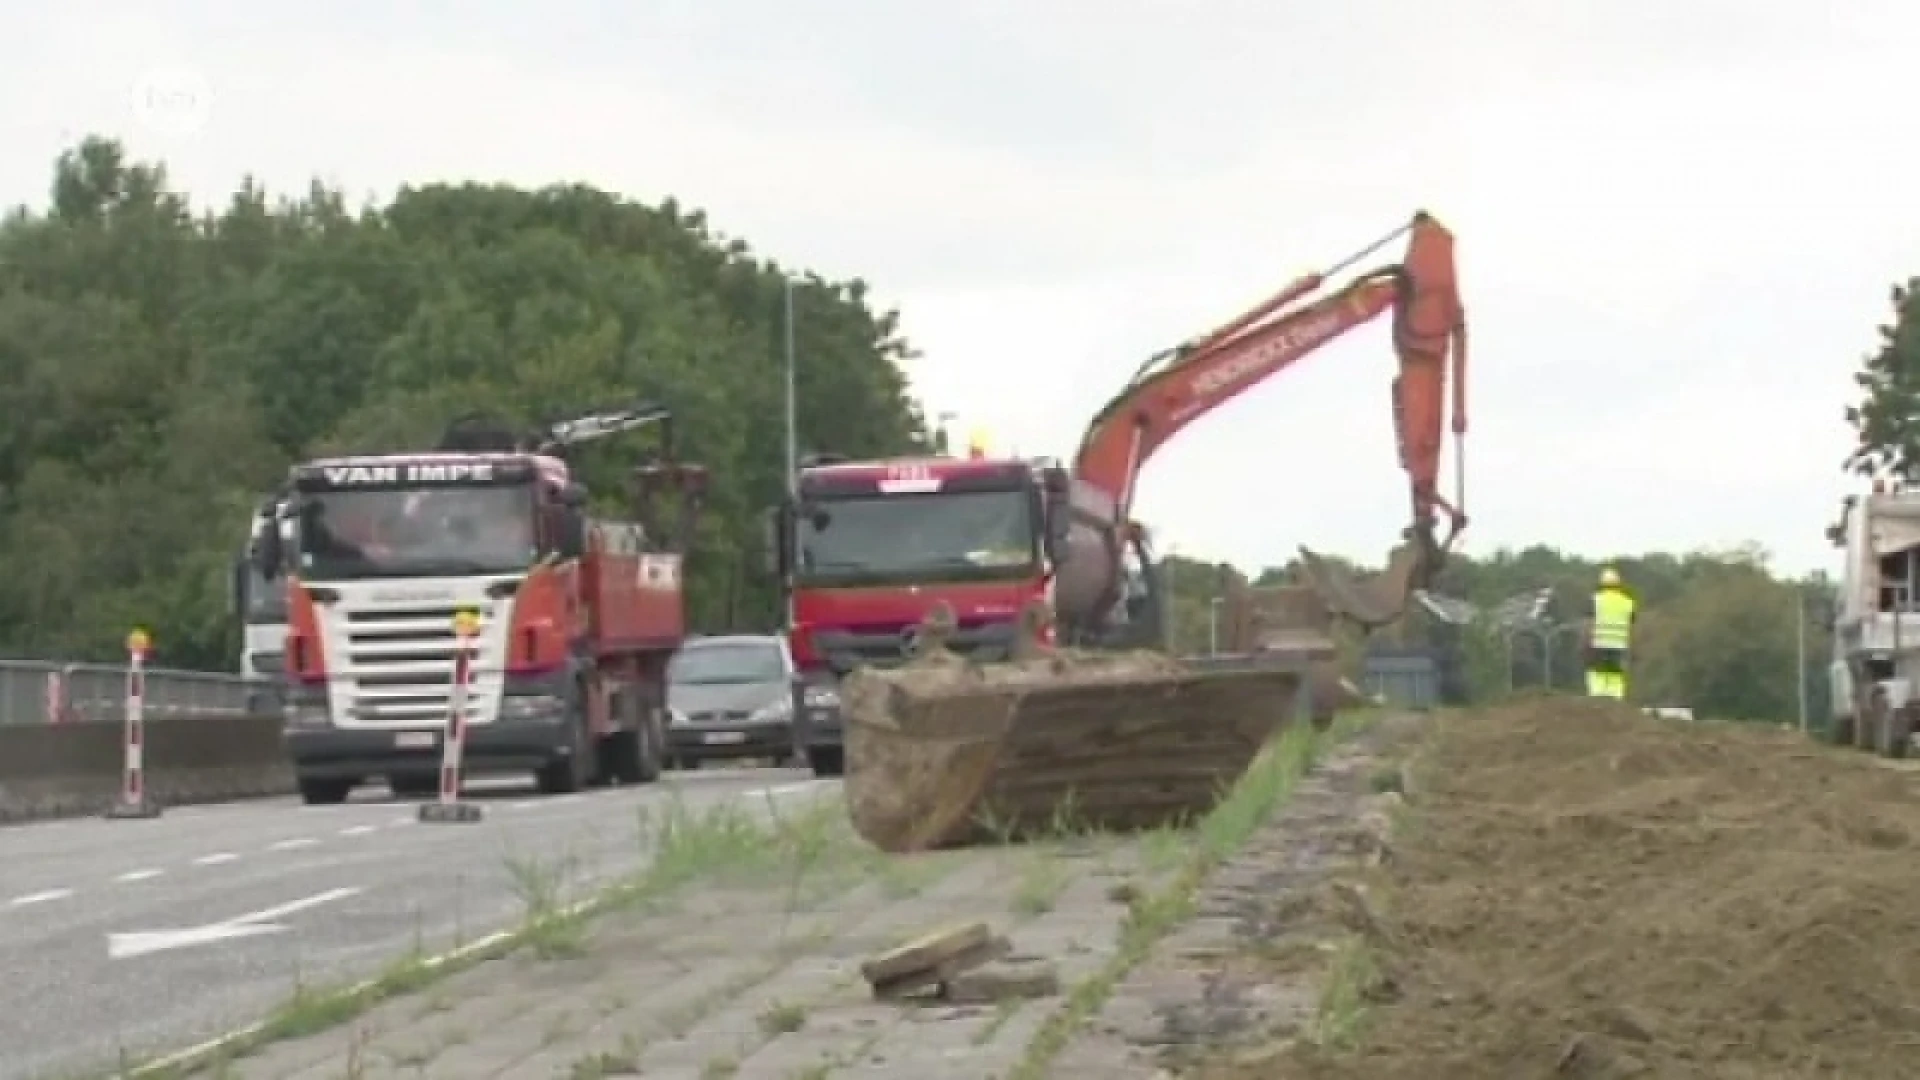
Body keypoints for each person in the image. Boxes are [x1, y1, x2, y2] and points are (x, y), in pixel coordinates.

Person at [1586, 566, 1637, 699]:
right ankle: (1615, 702)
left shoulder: (1595, 599)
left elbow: (1589, 619)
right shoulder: (1628, 602)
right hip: (1619, 646)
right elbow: (1632, 620)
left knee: (1597, 673)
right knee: (1616, 675)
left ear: (1602, 584)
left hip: (1599, 644)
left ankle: (1596, 699)